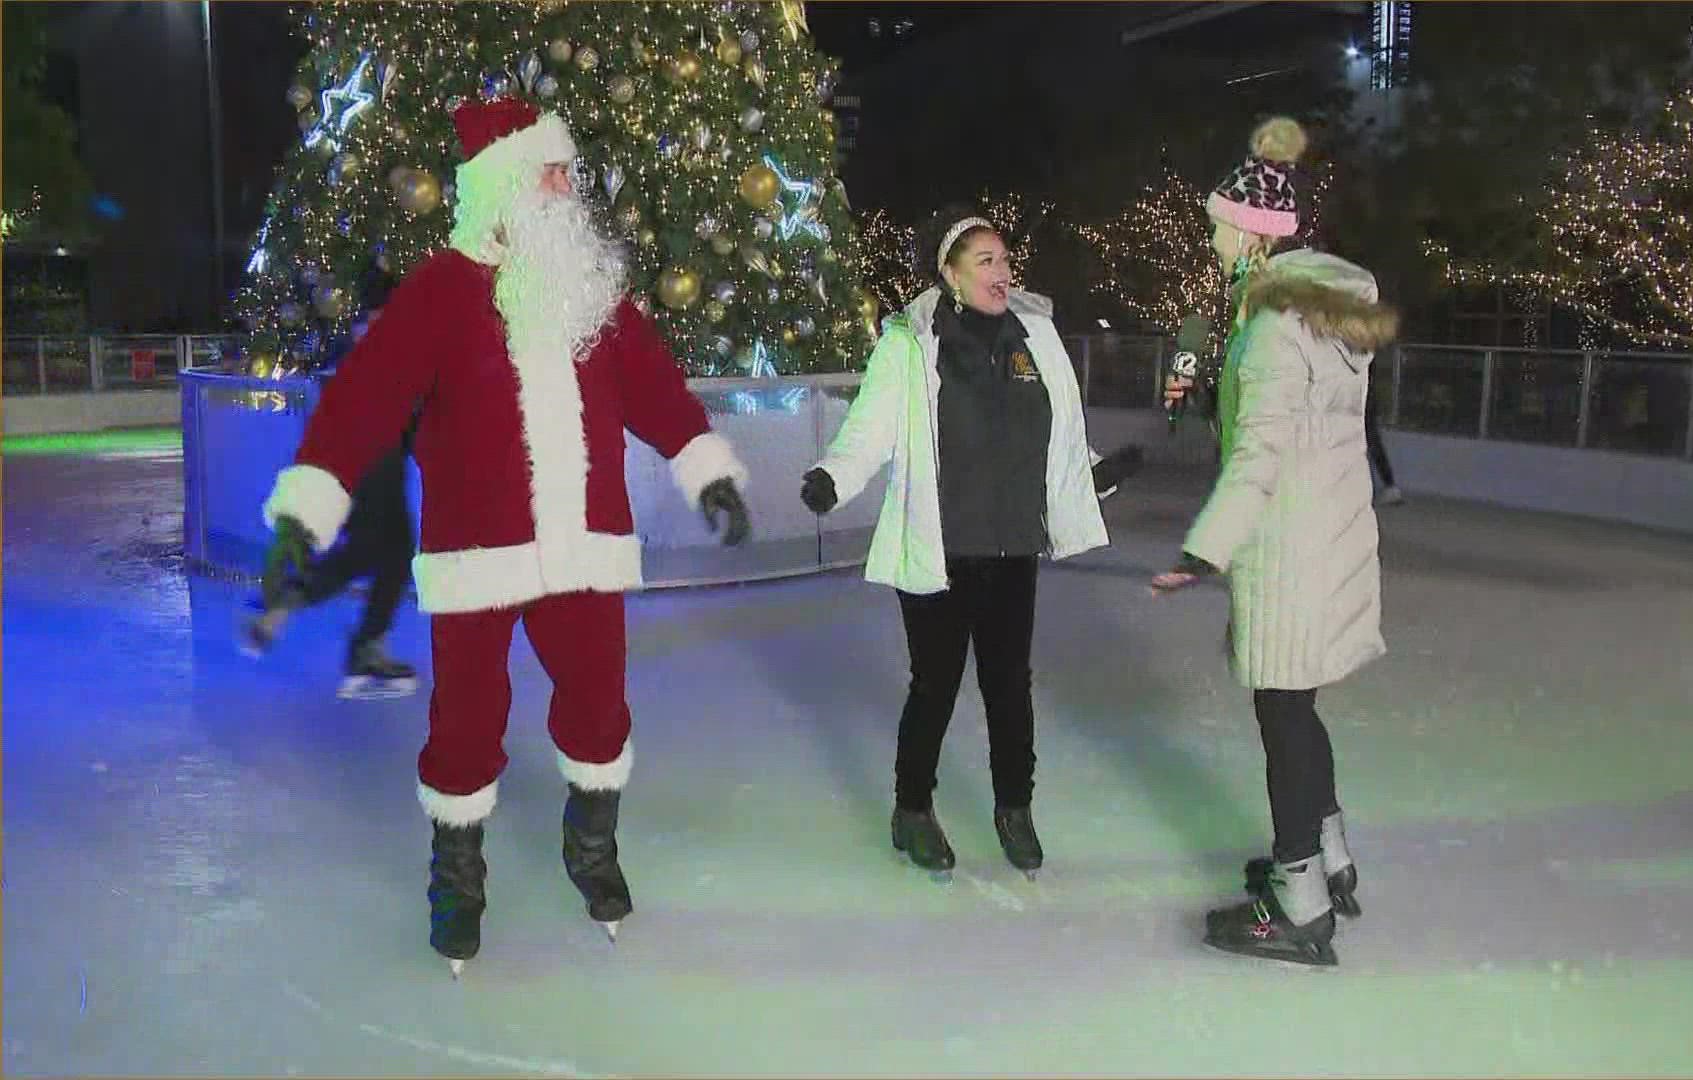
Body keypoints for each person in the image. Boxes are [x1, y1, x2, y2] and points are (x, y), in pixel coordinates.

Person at [257, 97, 751, 976]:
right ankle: (457, 875)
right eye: (553, 173)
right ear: (506, 187)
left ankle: (591, 847)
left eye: (569, 173)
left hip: (587, 545)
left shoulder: (594, 290)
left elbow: (653, 383)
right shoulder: (444, 288)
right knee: (468, 714)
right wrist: (308, 504)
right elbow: (367, 394)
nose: (569, 189)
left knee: (599, 701)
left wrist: (704, 465)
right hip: (477, 552)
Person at [799, 206, 1142, 882]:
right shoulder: (911, 342)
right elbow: (872, 426)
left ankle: (1015, 807)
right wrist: (834, 477)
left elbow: (1058, 429)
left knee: (1009, 686)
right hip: (941, 546)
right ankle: (912, 809)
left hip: (1014, 545)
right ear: (950, 274)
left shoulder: (1034, 336)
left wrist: (1094, 474)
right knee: (935, 685)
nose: (1002, 270)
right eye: (984, 260)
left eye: (1005, 258)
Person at [1153, 117, 1395, 966]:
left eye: (1220, 226)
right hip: (1327, 534)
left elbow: (1258, 453)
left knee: (1281, 713)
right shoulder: (1316, 317)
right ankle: (1328, 857)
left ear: (1253, 234)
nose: (1213, 240)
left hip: (1290, 547)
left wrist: (1202, 550)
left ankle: (1298, 898)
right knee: (1299, 707)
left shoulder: (1267, 331)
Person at [242, 270, 420, 699]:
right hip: (372, 460)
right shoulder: (379, 346)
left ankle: (292, 599)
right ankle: (365, 648)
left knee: (368, 551)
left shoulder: (356, 350)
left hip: (358, 462)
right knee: (391, 549)